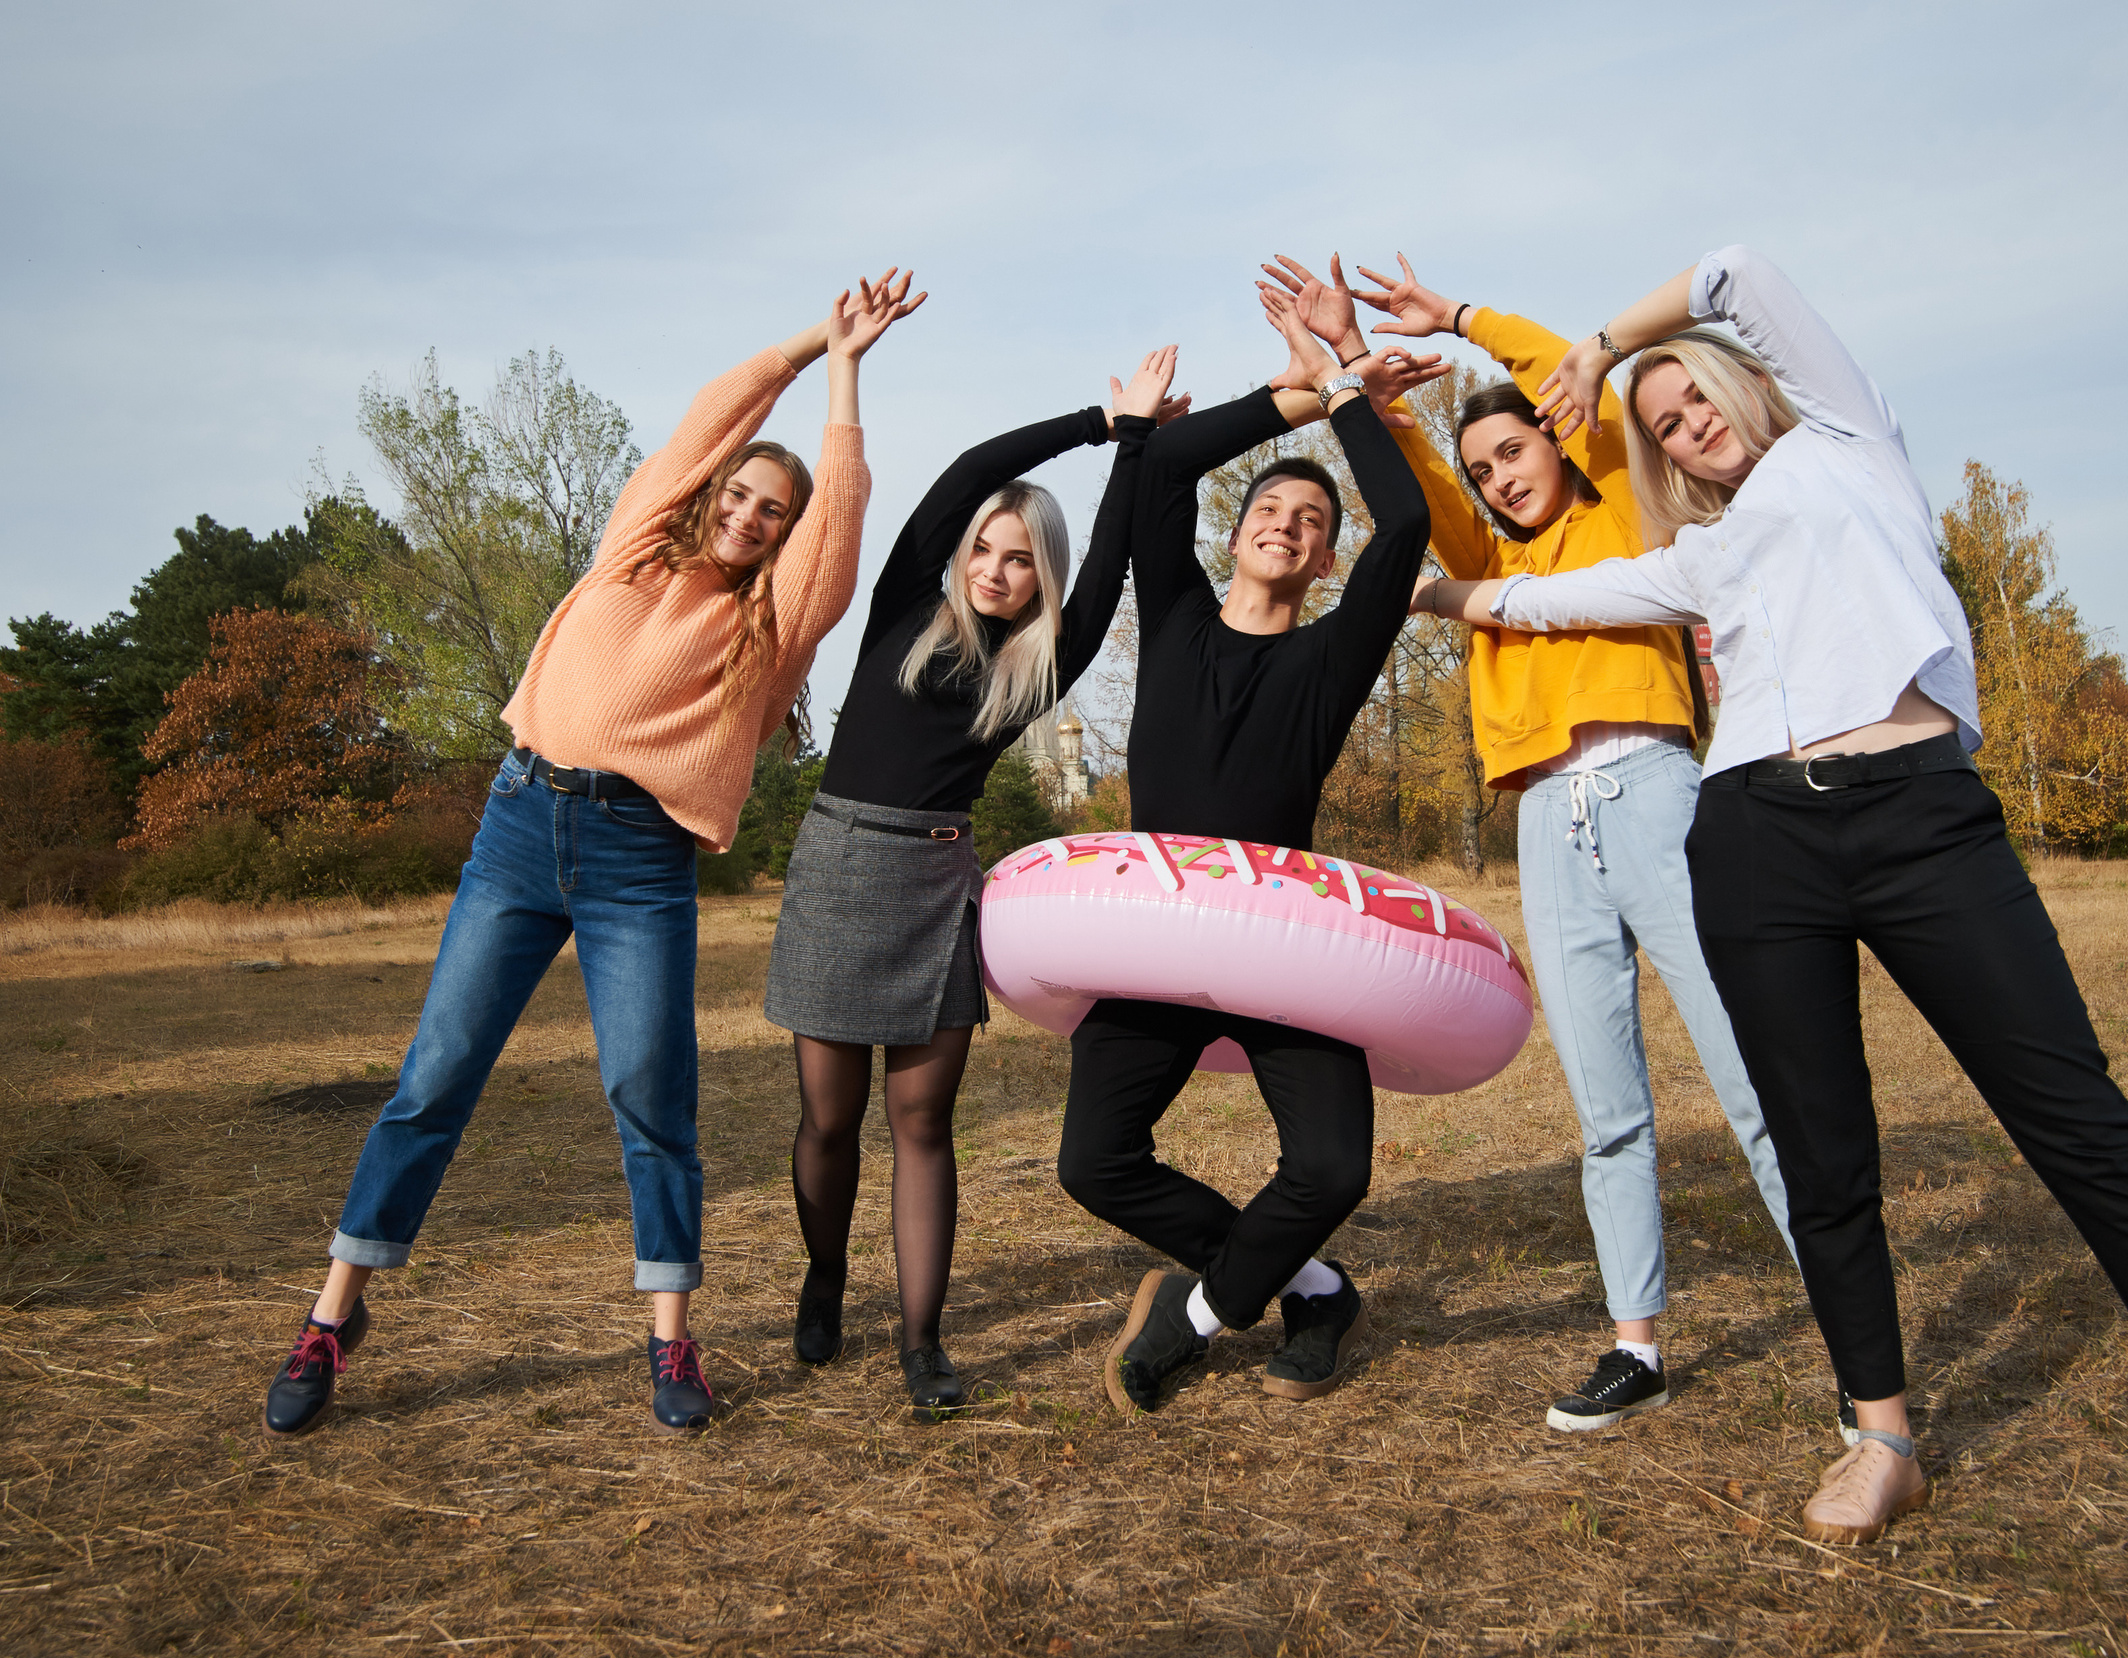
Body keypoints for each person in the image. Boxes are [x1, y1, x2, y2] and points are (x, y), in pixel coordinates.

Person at [1420, 244, 2128, 1658]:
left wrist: (1598, 346)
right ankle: (1878, 1430)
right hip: (1755, 833)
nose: (1681, 425)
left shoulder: (1848, 436)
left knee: (2086, 1132)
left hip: (1918, 815)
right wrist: (1426, 601)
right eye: (1658, 429)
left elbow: (1733, 266)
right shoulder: (1704, 550)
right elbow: (1543, 600)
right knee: (1825, 1155)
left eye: (1690, 399)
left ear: (1738, 385)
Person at [261, 273, 923, 1440]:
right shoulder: (632, 551)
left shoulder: (771, 627)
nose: (753, 514)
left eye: (776, 509)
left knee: (650, 1097)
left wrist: (854, 377)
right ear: (712, 491)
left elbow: (839, 529)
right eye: (743, 493)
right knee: (435, 1078)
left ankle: (672, 1341)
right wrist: (813, 342)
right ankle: (333, 1314)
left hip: (639, 861)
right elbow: (710, 414)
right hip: (518, 830)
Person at [1262, 252, 1800, 1433]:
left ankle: (1843, 1298)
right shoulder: (1482, 561)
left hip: (1653, 788)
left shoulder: (1619, 499)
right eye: (1482, 469)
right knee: (1605, 1105)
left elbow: (1569, 371)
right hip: (1543, 827)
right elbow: (1406, 480)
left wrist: (1458, 318)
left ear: (1558, 442)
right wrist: (1353, 362)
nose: (1500, 479)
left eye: (1513, 452)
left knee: (1749, 1071)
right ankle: (1635, 1341)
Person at [764, 345, 1191, 1419]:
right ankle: (824, 1277)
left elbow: (1110, 562)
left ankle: (920, 1339)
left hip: (936, 882)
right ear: (960, 554)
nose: (997, 568)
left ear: (1038, 580)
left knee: (920, 1120)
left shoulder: (1041, 662)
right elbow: (967, 468)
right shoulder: (906, 600)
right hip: (837, 864)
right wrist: (1101, 420)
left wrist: (1138, 449)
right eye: (986, 550)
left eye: (1020, 560)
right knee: (827, 1117)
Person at [1058, 284, 1444, 1415]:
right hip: (1156, 931)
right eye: (1271, 508)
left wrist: (1344, 392)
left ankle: (1197, 1314)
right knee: (1095, 1160)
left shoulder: (1330, 662)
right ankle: (1315, 1290)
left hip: (1289, 940)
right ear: (1236, 534)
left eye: (1313, 521)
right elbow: (1163, 471)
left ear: (1326, 562)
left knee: (1333, 1166)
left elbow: (1407, 529)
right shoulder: (1171, 612)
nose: (1288, 521)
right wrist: (1286, 404)